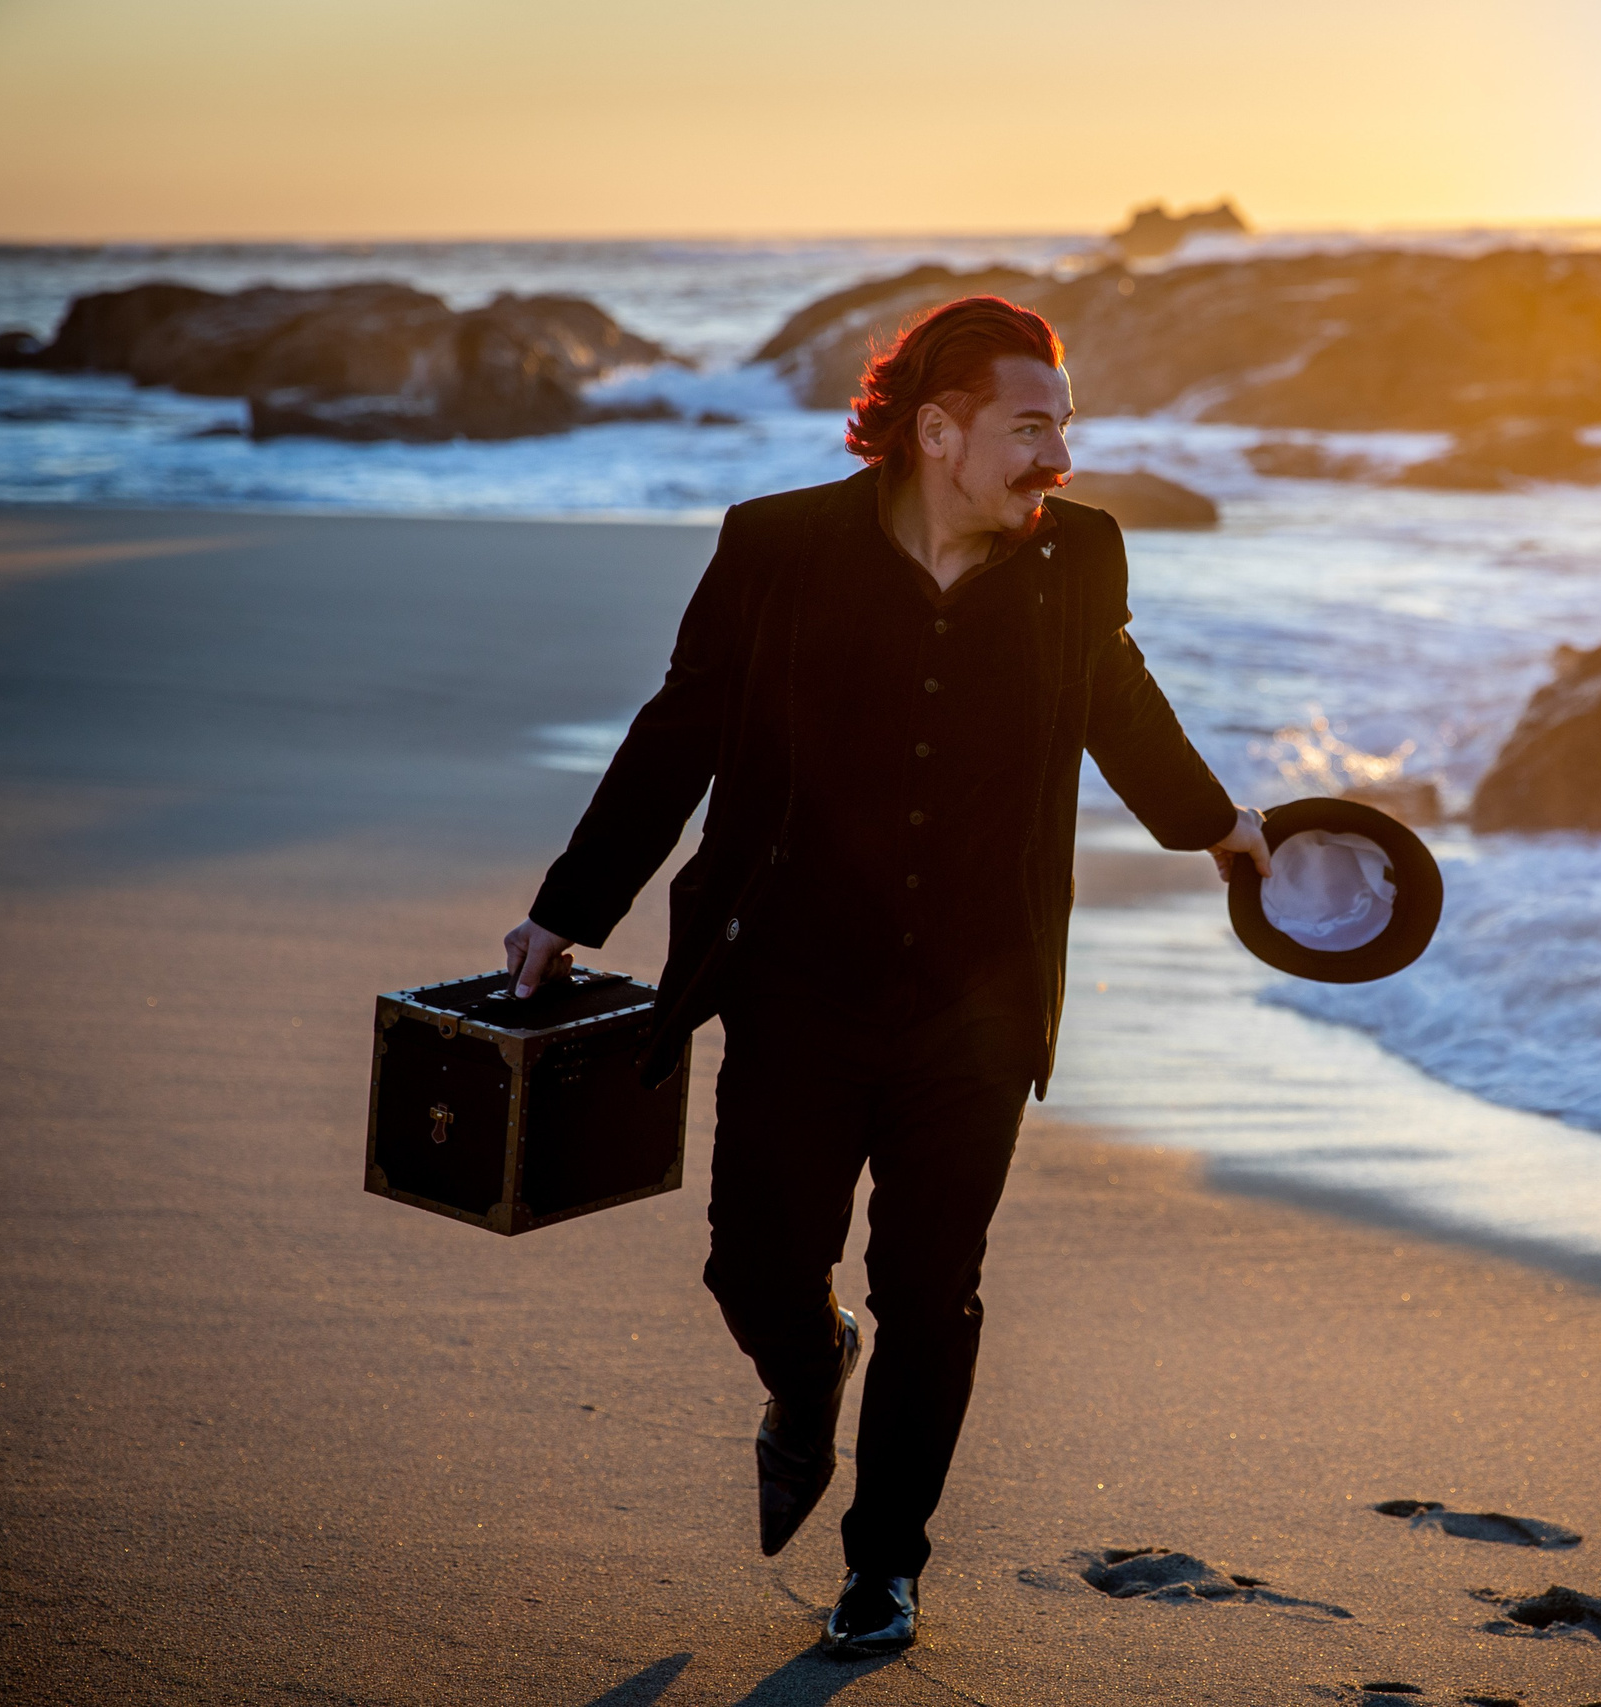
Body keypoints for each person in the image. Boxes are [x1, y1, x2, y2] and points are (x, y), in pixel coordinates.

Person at [498, 296, 1270, 1657]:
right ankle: (807, 1389)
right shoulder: (779, 548)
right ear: (938, 430)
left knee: (935, 1286)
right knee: (755, 1265)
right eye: (1031, 430)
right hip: (796, 983)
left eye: (1064, 429)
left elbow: (1117, 695)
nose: (1060, 460)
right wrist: (570, 908)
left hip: (978, 1002)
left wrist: (1220, 828)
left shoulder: (1076, 558)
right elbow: (680, 731)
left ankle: (886, 1566)